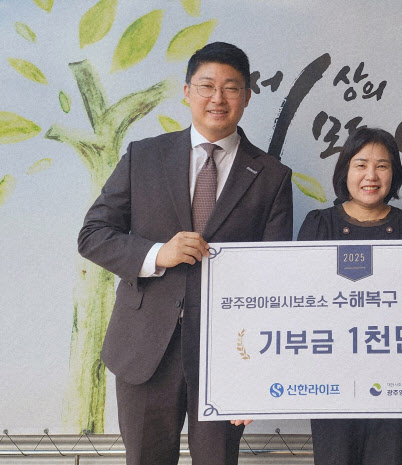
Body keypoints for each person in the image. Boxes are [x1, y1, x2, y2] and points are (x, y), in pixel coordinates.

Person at [78, 42, 293, 465]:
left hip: (226, 354)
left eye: (231, 88)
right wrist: (158, 253)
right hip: (145, 348)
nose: (218, 98)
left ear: (247, 97)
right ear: (187, 91)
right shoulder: (144, 156)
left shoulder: (271, 175)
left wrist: (256, 372)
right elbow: (93, 234)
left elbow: (275, 277)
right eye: (207, 86)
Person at [298, 127, 402, 465]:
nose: (371, 176)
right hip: (330, 377)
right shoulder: (319, 224)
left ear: (394, 173)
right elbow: (299, 302)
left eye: (382, 166)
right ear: (345, 170)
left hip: (395, 376)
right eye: (361, 165)